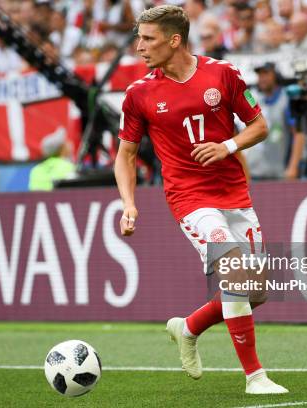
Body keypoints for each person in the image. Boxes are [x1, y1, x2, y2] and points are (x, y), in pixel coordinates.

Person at [114, 5, 288, 395]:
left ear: (175, 40)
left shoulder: (222, 74)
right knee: (236, 272)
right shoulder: (138, 94)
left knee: (255, 291)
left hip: (234, 192)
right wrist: (128, 203)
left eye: (148, 39)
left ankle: (188, 327)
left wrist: (227, 146)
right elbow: (125, 155)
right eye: (139, 38)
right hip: (189, 198)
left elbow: (260, 125)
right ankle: (255, 377)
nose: (139, 47)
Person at [241, 62, 304, 180]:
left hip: (278, 173)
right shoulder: (255, 99)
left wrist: (293, 166)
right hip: (254, 172)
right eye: (259, 74)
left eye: (266, 73)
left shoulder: (286, 100)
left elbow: (298, 134)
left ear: (276, 75)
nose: (262, 78)